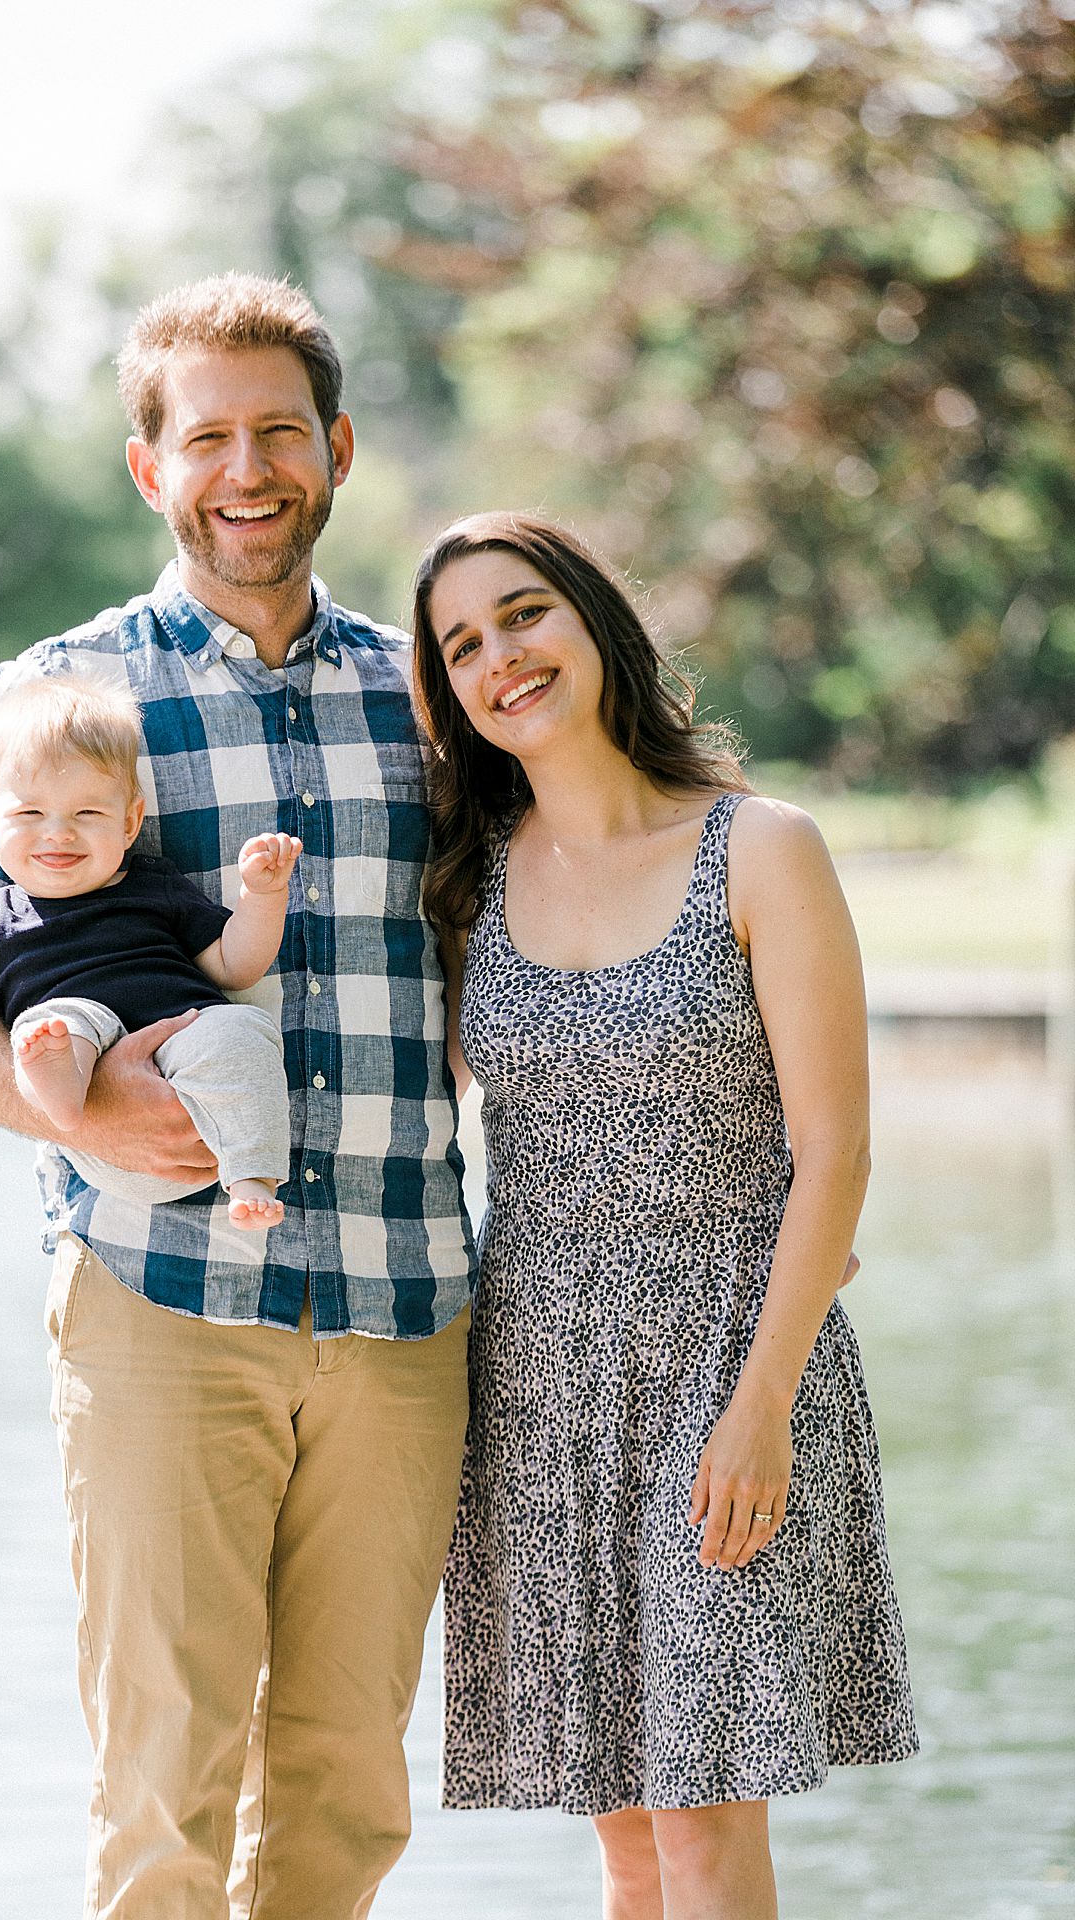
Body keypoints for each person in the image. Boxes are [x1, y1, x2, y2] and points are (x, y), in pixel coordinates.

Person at [0, 273, 476, 1920]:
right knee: (164, 1786)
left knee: (349, 1783)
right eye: (205, 434)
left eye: (278, 430)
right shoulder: (50, 701)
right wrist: (76, 1119)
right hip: (162, 1294)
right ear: (150, 467)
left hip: (406, 1300)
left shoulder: (430, 698)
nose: (247, 467)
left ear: (338, 448)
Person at [410, 512, 918, 1920]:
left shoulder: (762, 848)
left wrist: (760, 1404)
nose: (502, 657)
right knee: (625, 1834)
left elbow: (837, 1153)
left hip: (733, 1363)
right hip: (537, 1377)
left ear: (590, 622)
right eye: (463, 646)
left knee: (702, 1825)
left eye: (523, 615)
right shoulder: (467, 888)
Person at [0, 675, 301, 1228]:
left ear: (129, 822)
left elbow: (237, 964)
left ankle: (252, 1179)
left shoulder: (154, 885)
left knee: (240, 1026)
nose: (58, 833)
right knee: (60, 1022)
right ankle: (58, 1090)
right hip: (105, 1134)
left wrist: (263, 896)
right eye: (30, 814)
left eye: (87, 815)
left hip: (191, 1072)